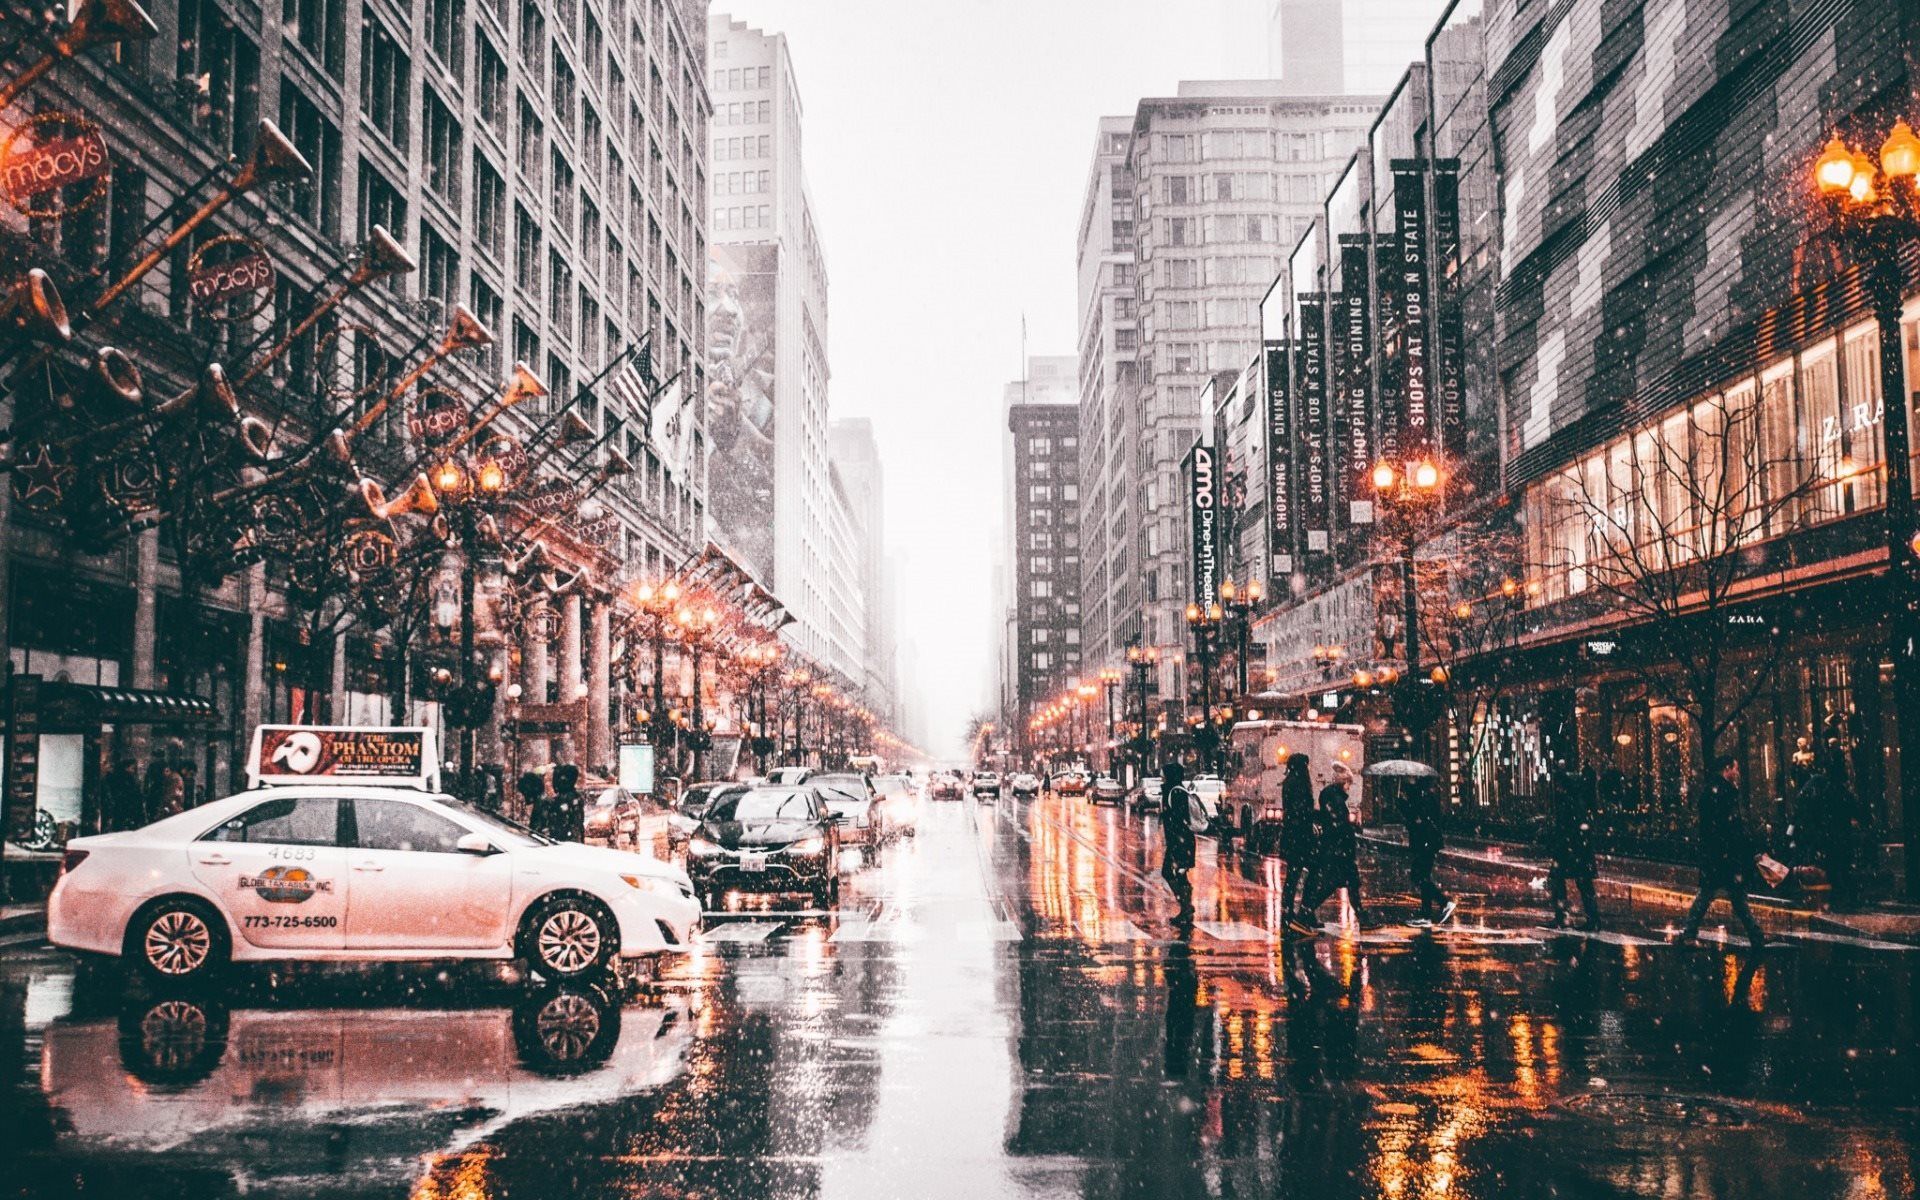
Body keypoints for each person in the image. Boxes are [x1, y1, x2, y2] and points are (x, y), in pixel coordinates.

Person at [1678, 755, 1768, 950]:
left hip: (1717, 854)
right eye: (1735, 768)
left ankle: (1755, 935)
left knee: (1718, 895)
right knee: (1728, 896)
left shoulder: (1713, 791)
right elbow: (1733, 827)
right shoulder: (1724, 793)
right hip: (1724, 854)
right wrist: (1746, 849)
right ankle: (1755, 936)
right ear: (1727, 769)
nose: (1737, 772)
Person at [1290, 762, 1372, 936]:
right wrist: (1349, 829)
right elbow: (1337, 824)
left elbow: (1333, 821)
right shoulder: (1335, 799)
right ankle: (1303, 916)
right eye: (1349, 783)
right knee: (1331, 885)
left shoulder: (1333, 797)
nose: (1349, 787)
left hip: (1338, 850)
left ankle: (1363, 919)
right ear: (1343, 783)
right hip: (1338, 851)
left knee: (1350, 883)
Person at [1544, 761, 1603, 930]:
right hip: (1578, 850)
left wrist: (1559, 842)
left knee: (1558, 880)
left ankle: (1564, 916)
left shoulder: (1568, 803)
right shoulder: (1578, 802)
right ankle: (1592, 918)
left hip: (1570, 850)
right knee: (1582, 883)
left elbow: (1565, 827)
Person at [1400, 775, 1456, 927]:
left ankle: (1444, 903)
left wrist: (1404, 806)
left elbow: (1417, 821)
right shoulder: (1425, 797)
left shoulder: (1422, 799)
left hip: (1425, 843)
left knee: (1418, 876)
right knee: (1423, 877)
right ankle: (1426, 915)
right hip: (1427, 843)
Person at [1160, 760, 1197, 931]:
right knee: (1178, 873)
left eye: (1164, 774)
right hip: (1180, 840)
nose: (1162, 778)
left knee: (1171, 872)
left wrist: (1175, 841)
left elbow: (1178, 819)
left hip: (1180, 841)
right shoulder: (1175, 790)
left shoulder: (1175, 792)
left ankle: (1186, 907)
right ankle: (1186, 907)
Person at [1278, 754, 1315, 920]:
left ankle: (1288, 906)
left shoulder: (1289, 782)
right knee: (1308, 872)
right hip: (1300, 835)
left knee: (1293, 873)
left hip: (1292, 834)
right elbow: (1302, 810)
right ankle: (1302, 909)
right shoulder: (1300, 784)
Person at [101, 758, 146, 833]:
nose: (133, 770)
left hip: (120, 810)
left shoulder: (115, 778)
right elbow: (134, 795)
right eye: (132, 768)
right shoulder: (129, 779)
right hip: (128, 810)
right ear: (126, 768)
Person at [550, 763, 586, 843]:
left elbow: (572, 823)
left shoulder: (566, 799)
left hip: (565, 842)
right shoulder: (575, 797)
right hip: (566, 840)